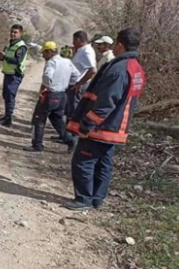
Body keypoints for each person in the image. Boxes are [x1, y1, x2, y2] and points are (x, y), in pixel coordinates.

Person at [63, 28, 147, 211]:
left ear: (119, 45)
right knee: (104, 163)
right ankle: (97, 199)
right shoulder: (136, 68)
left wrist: (86, 125)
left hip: (102, 127)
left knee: (83, 161)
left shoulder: (119, 68)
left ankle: (83, 199)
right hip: (117, 128)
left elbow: (107, 101)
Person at [24, 41, 80, 153]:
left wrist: (47, 87)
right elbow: (76, 75)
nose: (43, 55)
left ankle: (37, 144)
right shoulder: (67, 61)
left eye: (44, 53)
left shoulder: (51, 62)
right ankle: (70, 140)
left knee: (38, 119)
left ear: (49, 52)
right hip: (62, 95)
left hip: (51, 94)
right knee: (57, 120)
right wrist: (68, 84)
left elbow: (47, 76)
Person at [0, 24, 28, 127]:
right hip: (8, 73)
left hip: (15, 74)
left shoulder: (21, 46)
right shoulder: (10, 44)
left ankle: (8, 120)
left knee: (10, 96)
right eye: (12, 32)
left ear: (20, 34)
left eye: (15, 32)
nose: (13, 34)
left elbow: (18, 61)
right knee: (6, 95)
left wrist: (5, 57)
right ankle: (6, 116)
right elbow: (6, 57)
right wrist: (2, 56)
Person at [66, 30, 97, 118]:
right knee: (70, 112)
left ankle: (72, 131)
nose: (73, 42)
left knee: (74, 114)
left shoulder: (87, 51)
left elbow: (93, 70)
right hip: (73, 85)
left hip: (78, 86)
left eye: (75, 40)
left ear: (79, 40)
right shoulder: (81, 51)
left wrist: (80, 83)